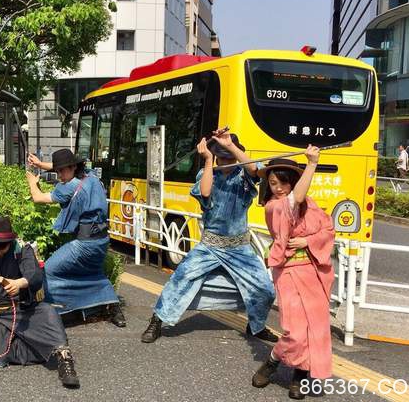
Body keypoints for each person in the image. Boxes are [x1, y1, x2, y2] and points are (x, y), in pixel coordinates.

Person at [141, 130, 277, 344]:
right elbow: (205, 193)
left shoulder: (245, 175)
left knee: (265, 288)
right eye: (221, 157)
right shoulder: (207, 172)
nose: (226, 161)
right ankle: (157, 321)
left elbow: (257, 169)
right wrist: (208, 160)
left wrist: (230, 145)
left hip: (239, 247)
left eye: (229, 157)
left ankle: (256, 325)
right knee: (180, 279)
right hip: (210, 245)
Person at [0, 216, 80, 389]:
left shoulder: (22, 250)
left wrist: (20, 283)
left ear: (10, 242)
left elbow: (34, 275)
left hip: (25, 310)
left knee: (48, 312)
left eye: (1, 247)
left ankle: (64, 359)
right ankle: (41, 346)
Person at [251, 147, 335, 400]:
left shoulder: (311, 205)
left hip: (313, 269)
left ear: (293, 182)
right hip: (287, 270)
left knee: (315, 328)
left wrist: (308, 241)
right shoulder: (274, 206)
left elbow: (328, 230)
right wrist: (312, 164)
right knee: (295, 331)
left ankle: (300, 376)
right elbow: (293, 202)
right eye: (273, 183)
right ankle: (274, 360)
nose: (278, 188)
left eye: (283, 182)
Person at [26, 149, 125, 327]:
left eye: (62, 171)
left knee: (48, 270)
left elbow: (38, 197)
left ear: (73, 167)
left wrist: (32, 181)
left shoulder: (69, 187)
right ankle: (111, 306)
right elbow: (66, 168)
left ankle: (58, 309)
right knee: (92, 273)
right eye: (57, 171)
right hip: (102, 241)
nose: (59, 175)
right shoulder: (91, 176)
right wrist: (41, 165)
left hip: (85, 244)